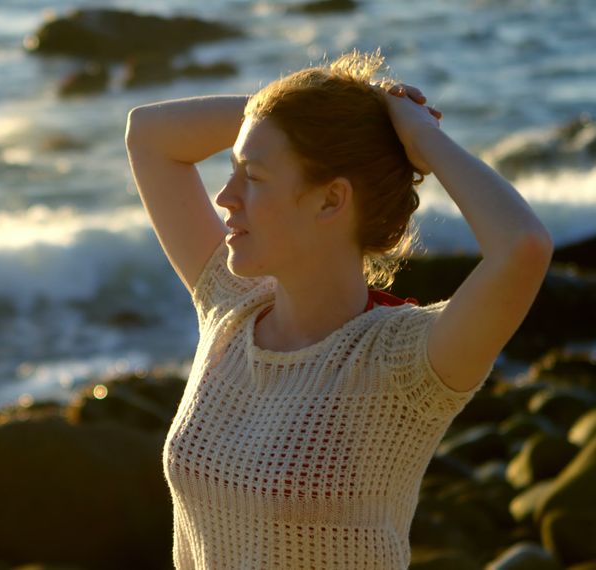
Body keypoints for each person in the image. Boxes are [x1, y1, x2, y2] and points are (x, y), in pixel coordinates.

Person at [123, 49, 553, 569]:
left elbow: (523, 247)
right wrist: (359, 108)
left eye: (253, 177)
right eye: (232, 171)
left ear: (330, 201)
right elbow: (147, 134)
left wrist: (421, 139)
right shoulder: (230, 308)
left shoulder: (404, 363)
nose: (225, 197)